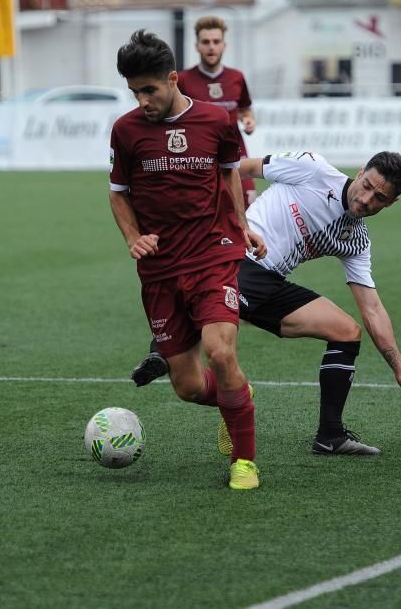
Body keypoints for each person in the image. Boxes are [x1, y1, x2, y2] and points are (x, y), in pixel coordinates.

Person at [131, 150, 401, 456]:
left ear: (392, 203)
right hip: (232, 256)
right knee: (218, 322)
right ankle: (169, 347)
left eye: (379, 198)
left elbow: (373, 309)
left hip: (268, 282)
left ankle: (330, 436)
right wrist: (231, 214)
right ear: (361, 170)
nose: (367, 199)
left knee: (346, 332)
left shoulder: (356, 241)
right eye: (367, 185)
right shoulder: (312, 169)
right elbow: (236, 166)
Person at [109, 29, 267, 489]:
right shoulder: (126, 130)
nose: (142, 100)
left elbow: (228, 178)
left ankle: (245, 462)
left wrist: (242, 225)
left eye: (149, 89)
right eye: (134, 91)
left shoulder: (218, 121)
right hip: (159, 270)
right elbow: (118, 195)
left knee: (221, 352)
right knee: (189, 386)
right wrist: (133, 237)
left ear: (173, 78)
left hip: (212, 256)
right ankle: (236, 396)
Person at [176, 16, 259, 207]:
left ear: (224, 45)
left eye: (216, 41)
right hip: (200, 156)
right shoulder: (183, 80)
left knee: (249, 202)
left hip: (236, 152)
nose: (211, 47)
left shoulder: (236, 77)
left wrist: (248, 120)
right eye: (206, 42)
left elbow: (245, 109)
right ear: (197, 46)